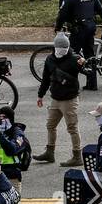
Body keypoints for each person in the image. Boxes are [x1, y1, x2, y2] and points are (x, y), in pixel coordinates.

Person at [33, 33, 85, 167]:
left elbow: (87, 72)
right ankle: (50, 152)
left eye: (65, 47)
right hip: (55, 99)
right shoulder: (50, 59)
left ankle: (77, 156)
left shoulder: (75, 59)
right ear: (55, 47)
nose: (62, 50)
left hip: (69, 100)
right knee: (50, 126)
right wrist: (40, 95)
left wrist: (83, 65)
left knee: (72, 128)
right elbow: (45, 78)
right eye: (60, 47)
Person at [55, 0, 102, 92]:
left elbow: (62, 14)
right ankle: (92, 83)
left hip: (78, 29)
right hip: (91, 27)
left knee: (71, 55)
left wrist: (57, 27)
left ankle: (70, 83)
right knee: (89, 54)